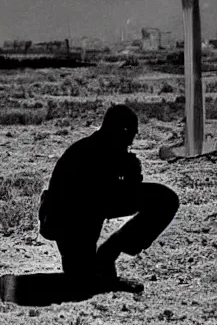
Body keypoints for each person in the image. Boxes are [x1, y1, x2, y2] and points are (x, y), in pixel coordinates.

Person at [38, 104, 180, 292]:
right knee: (83, 283)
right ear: (121, 131)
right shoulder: (89, 154)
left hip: (85, 215)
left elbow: (112, 198)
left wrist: (132, 175)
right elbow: (96, 201)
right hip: (69, 223)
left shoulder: (108, 149)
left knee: (165, 199)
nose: (131, 142)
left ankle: (108, 253)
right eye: (131, 135)